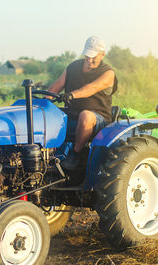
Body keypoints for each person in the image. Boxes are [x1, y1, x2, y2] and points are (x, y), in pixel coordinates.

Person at [48, 36, 118, 171]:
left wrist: (72, 95)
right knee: (47, 115)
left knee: (86, 116)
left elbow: (91, 88)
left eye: (93, 57)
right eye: (87, 56)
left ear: (102, 54)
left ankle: (76, 155)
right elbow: (56, 86)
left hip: (99, 118)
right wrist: (42, 102)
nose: (89, 60)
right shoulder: (73, 67)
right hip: (72, 112)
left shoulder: (108, 73)